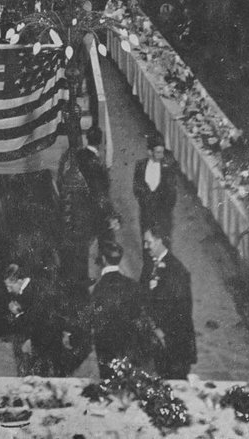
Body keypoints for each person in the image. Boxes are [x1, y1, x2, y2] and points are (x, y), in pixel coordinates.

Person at [140, 223, 196, 380]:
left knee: (175, 383)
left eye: (148, 242)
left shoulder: (177, 270)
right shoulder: (149, 265)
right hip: (157, 339)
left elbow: (182, 310)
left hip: (174, 342)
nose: (145, 246)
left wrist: (162, 331)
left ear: (159, 242)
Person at [89, 241, 142, 372]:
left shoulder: (98, 288)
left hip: (106, 347)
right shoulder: (132, 285)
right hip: (129, 346)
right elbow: (137, 314)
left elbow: (94, 318)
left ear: (103, 259)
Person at [133, 137, 176, 238]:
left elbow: (172, 195)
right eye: (158, 152)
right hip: (146, 215)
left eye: (162, 152)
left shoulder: (168, 168)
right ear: (149, 152)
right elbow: (136, 188)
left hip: (162, 217)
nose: (161, 156)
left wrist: (162, 211)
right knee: (147, 244)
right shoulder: (140, 165)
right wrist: (146, 203)